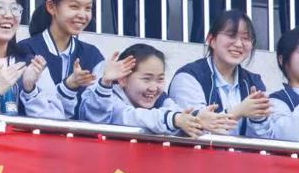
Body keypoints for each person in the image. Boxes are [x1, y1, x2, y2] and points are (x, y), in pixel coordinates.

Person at [18, 0, 133, 118]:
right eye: (74, 7)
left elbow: (97, 117)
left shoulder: (92, 55)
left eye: (88, 8)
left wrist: (105, 83)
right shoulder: (27, 49)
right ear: (51, 7)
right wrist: (69, 85)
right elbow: (43, 111)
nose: (82, 15)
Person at [80, 43, 235, 137]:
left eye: (160, 79)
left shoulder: (162, 100)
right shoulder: (109, 97)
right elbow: (132, 117)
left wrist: (197, 119)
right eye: (146, 79)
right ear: (123, 79)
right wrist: (176, 121)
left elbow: (178, 115)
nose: (153, 88)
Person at [168, 10, 273, 137]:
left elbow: (266, 139)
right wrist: (240, 111)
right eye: (231, 35)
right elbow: (196, 128)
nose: (239, 44)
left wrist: (258, 119)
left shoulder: (253, 82)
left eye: (245, 38)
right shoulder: (188, 77)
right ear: (211, 40)